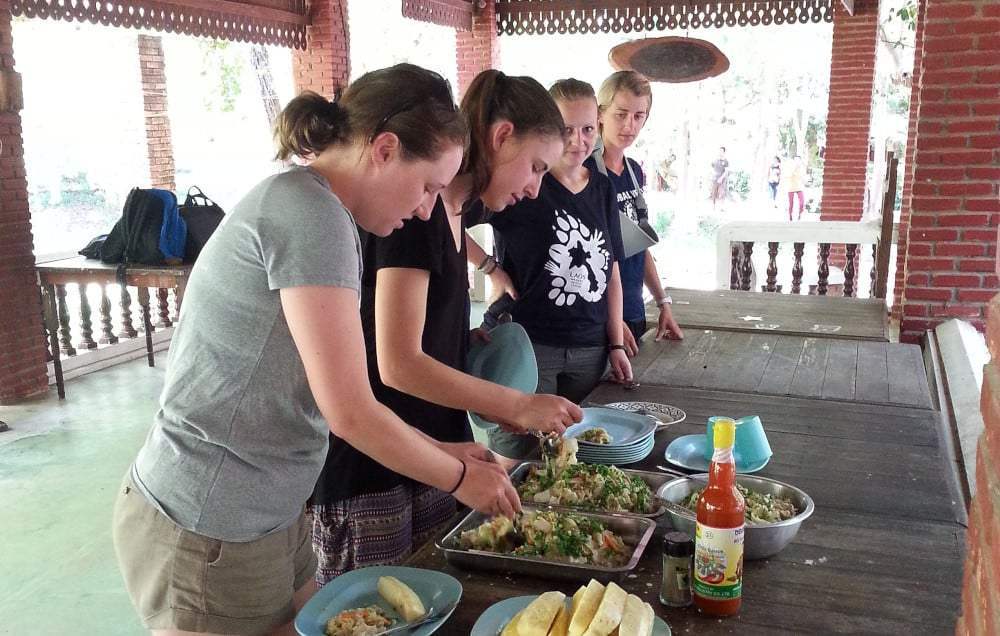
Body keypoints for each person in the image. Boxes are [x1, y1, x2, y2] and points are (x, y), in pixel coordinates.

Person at [112, 64, 521, 636]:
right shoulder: (312, 215)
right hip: (211, 523)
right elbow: (349, 410)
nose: (429, 209)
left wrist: (445, 450)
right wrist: (456, 478)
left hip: (271, 510)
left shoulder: (324, 211)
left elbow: (328, 396)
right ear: (384, 149)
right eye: (428, 186)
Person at [310, 69, 581, 583]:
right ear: (501, 136)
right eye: (535, 167)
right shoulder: (410, 212)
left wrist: (466, 345)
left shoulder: (451, 208)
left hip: (436, 452)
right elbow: (397, 363)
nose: (534, 187)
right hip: (376, 470)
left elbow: (421, 338)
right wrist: (516, 404)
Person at [465, 78, 634, 464]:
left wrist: (616, 343)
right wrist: (490, 267)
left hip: (590, 348)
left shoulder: (603, 190)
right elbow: (451, 218)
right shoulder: (521, 182)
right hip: (532, 344)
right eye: (566, 130)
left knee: (580, 458)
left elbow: (610, 271)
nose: (578, 140)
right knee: (519, 460)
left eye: (588, 129)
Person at [592, 70, 683, 353]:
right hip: (600, 319)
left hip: (633, 308)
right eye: (621, 114)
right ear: (600, 114)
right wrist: (611, 321)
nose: (629, 125)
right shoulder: (584, 173)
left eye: (638, 116)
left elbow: (637, 242)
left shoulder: (634, 171)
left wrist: (662, 301)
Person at [786, 154, 806, 221]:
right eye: (795, 160)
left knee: (802, 202)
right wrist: (794, 168)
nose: (797, 161)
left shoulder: (802, 168)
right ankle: (790, 215)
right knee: (791, 203)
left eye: (798, 160)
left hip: (799, 187)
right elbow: (788, 175)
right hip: (791, 187)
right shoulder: (790, 167)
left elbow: (803, 177)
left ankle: (800, 214)